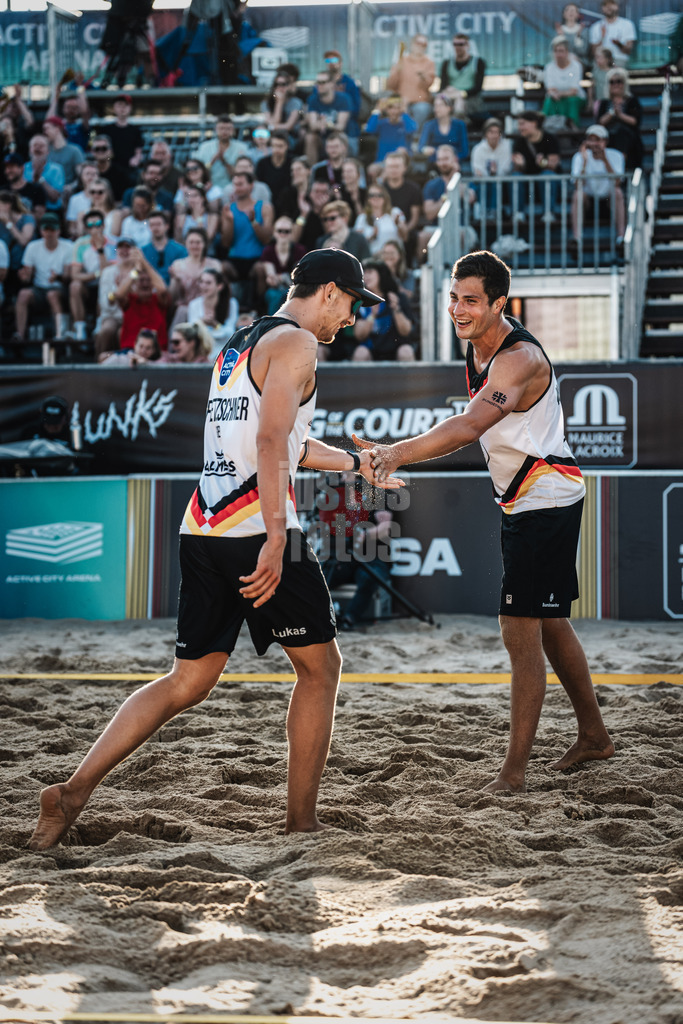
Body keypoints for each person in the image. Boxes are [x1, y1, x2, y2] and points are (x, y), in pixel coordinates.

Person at [27, 247, 405, 851]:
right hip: (255, 526)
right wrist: (279, 537)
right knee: (321, 668)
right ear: (330, 291)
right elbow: (272, 439)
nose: (352, 320)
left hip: (204, 524)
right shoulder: (299, 346)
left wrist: (358, 462)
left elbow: (290, 444)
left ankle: (71, 792)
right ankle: (301, 823)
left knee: (187, 680)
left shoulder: (241, 341)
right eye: (354, 304)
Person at [355, 249, 614, 793]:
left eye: (471, 300)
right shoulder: (480, 342)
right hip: (529, 499)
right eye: (453, 298)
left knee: (518, 629)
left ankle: (514, 775)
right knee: (547, 622)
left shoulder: (518, 359)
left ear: (500, 303)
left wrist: (395, 453)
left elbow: (471, 425)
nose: (458, 309)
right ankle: (593, 735)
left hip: (545, 498)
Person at [318, 470, 393, 631]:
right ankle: (322, 617)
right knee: (318, 579)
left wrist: (364, 535)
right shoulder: (337, 495)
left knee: (369, 578)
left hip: (372, 555)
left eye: (346, 472)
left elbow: (385, 528)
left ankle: (349, 618)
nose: (342, 476)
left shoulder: (375, 492)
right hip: (344, 557)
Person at [13, 213, 73, 344]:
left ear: (58, 230)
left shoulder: (68, 246)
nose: (49, 233)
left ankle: (59, 335)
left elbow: (68, 277)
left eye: (52, 229)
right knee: (23, 294)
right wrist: (24, 276)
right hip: (38, 289)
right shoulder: (32, 247)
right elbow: (27, 277)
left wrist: (58, 277)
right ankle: (19, 335)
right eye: (46, 229)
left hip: (60, 288)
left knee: (52, 295)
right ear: (41, 231)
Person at [570, 124, 625, 248]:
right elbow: (578, 185)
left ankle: (621, 236)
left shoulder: (615, 155)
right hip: (588, 202)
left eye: (598, 140)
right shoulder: (579, 157)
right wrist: (584, 162)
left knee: (617, 192)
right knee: (577, 195)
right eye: (591, 140)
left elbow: (617, 183)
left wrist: (605, 160)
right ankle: (577, 238)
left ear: (605, 141)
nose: (594, 144)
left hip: (607, 200)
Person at [350, 259, 415, 362]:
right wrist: (372, 316)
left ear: (381, 274)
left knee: (406, 351)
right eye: (364, 273)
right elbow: (359, 335)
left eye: (370, 272)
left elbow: (406, 331)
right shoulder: (359, 301)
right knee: (360, 353)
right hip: (371, 351)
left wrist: (396, 309)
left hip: (395, 349)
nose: (366, 276)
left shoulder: (398, 297)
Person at [69, 209, 114, 341]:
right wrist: (96, 274)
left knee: (105, 283)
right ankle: (79, 328)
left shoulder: (114, 244)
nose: (94, 228)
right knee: (74, 286)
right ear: (86, 229)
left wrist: (100, 249)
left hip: (106, 284)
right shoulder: (80, 244)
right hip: (88, 285)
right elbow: (75, 275)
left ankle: (100, 324)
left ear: (104, 225)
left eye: (98, 224)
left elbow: (107, 274)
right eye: (90, 225)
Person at [115, 245, 169, 351]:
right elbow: (119, 295)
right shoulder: (130, 299)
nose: (145, 284)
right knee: (103, 358)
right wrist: (136, 269)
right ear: (135, 282)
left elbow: (162, 289)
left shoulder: (158, 300)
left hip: (156, 352)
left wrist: (143, 261)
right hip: (130, 350)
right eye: (141, 280)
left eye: (148, 281)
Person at [512, 111, 561, 221]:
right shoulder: (519, 142)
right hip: (528, 185)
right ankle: (518, 213)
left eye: (522, 124)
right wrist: (520, 165)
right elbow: (518, 168)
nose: (520, 128)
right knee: (516, 176)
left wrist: (543, 163)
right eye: (519, 124)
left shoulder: (549, 138)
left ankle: (548, 212)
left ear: (534, 123)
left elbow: (554, 164)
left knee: (547, 175)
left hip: (547, 184)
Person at [252, 215, 306, 315]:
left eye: (287, 231)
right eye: (280, 231)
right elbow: (271, 277)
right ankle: (273, 324)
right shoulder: (269, 250)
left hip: (294, 288)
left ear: (291, 233)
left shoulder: (299, 250)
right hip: (275, 289)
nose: (283, 234)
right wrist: (278, 278)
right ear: (274, 232)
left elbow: (300, 275)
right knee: (274, 295)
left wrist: (280, 278)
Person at [385, 33, 436, 131]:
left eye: (424, 45)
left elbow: (429, 85)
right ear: (412, 44)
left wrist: (424, 78)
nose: (420, 46)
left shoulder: (429, 63)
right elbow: (390, 85)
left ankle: (413, 136)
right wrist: (396, 72)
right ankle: (401, 136)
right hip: (402, 101)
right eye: (418, 43)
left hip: (421, 102)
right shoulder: (401, 60)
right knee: (397, 110)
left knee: (422, 110)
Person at [596, 68, 643, 170]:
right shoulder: (604, 102)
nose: (615, 84)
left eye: (619, 81)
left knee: (621, 133)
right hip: (608, 137)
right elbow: (600, 122)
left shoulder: (632, 101)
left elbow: (635, 121)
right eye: (612, 82)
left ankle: (621, 162)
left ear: (624, 84)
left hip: (629, 139)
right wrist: (612, 113)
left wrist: (620, 115)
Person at [185, 267, 239, 355]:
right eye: (201, 282)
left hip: (224, 351)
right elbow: (192, 333)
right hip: (202, 351)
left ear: (219, 286)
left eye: (208, 283)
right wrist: (201, 322)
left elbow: (231, 335)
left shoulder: (231, 303)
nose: (203, 286)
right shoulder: (194, 304)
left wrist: (215, 325)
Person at [304, 68, 352, 166]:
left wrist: (327, 124)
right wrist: (320, 124)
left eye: (323, 82)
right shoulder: (313, 99)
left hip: (338, 135)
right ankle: (311, 172)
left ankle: (341, 171)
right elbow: (313, 126)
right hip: (320, 137)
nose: (319, 85)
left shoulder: (343, 99)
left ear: (332, 84)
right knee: (310, 137)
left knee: (340, 136)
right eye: (317, 82)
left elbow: (340, 126)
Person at [438, 33, 487, 125]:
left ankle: (456, 128)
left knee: (459, 105)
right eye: (455, 44)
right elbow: (442, 87)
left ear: (467, 45)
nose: (458, 47)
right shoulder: (446, 63)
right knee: (441, 103)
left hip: (471, 99)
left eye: (461, 44)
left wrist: (461, 94)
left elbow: (478, 87)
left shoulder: (478, 62)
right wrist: (450, 93)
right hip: (450, 97)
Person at [193, 114, 248, 191]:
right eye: (221, 128)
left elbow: (243, 174)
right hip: (208, 188)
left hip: (234, 188)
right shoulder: (204, 147)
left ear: (233, 130)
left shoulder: (242, 147)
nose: (224, 131)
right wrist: (212, 161)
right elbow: (197, 173)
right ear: (215, 129)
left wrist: (224, 161)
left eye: (228, 129)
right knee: (186, 195)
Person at [542, 36, 586, 129]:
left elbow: (574, 90)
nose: (558, 54)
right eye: (556, 51)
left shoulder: (576, 66)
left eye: (561, 51)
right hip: (557, 97)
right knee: (550, 101)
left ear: (567, 52)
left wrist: (558, 94)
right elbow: (550, 89)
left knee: (572, 101)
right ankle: (548, 127)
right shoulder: (549, 67)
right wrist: (555, 94)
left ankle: (573, 127)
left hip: (574, 98)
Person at [100, 94, 144, 183]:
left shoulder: (135, 130)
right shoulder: (106, 130)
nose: (122, 108)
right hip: (111, 169)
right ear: (114, 108)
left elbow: (138, 152)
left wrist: (136, 160)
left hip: (129, 170)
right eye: (119, 105)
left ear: (130, 108)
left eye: (125, 105)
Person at [364, 97, 417, 171]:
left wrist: (404, 112)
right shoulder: (382, 124)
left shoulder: (406, 123)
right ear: (386, 110)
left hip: (401, 162)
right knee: (372, 169)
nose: (394, 111)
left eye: (397, 108)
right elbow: (369, 129)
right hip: (383, 161)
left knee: (401, 151)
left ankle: (381, 180)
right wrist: (377, 110)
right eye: (391, 108)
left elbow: (411, 129)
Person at [354, 185, 404, 255]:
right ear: (368, 199)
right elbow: (357, 245)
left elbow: (405, 237)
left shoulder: (395, 212)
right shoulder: (362, 218)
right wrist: (372, 236)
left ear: (385, 197)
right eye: (372, 195)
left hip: (394, 257)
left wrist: (399, 225)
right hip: (372, 259)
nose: (375, 198)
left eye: (379, 195)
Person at [418, 93, 469, 163]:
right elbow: (421, 147)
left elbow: (464, 151)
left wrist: (450, 159)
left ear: (449, 108)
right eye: (435, 105)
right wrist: (426, 150)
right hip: (435, 162)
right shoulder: (429, 125)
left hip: (454, 163)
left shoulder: (460, 125)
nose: (436, 109)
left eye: (440, 105)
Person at [142, 210, 187, 285]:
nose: (155, 228)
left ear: (167, 226)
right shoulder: (143, 251)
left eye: (158, 224)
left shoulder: (180, 250)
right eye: (152, 225)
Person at [588, 0, 636, 68]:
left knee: (615, 73)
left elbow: (628, 51)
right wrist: (602, 37)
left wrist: (619, 44)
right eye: (605, 5)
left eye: (612, 4)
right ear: (602, 8)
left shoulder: (627, 24)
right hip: (601, 60)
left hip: (618, 59)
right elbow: (593, 52)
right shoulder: (596, 27)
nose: (608, 7)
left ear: (617, 6)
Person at [25, 134, 65, 212]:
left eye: (42, 146)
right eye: (35, 145)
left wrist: (40, 179)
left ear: (47, 151)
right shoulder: (23, 168)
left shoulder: (56, 169)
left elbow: (54, 198)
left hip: (50, 210)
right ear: (30, 149)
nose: (38, 148)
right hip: (27, 210)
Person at [43, 116, 85, 188]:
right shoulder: (45, 151)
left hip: (68, 192)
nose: (44, 132)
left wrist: (71, 187)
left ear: (57, 129)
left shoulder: (74, 150)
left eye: (47, 129)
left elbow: (82, 176)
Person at [88, 135, 128, 203]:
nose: (100, 151)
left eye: (104, 148)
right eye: (97, 149)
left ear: (110, 151)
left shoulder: (120, 173)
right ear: (92, 152)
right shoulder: (88, 172)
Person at [255, 130, 291, 200]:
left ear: (286, 146)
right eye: (274, 146)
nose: (277, 149)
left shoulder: (293, 162)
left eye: (280, 146)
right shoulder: (262, 163)